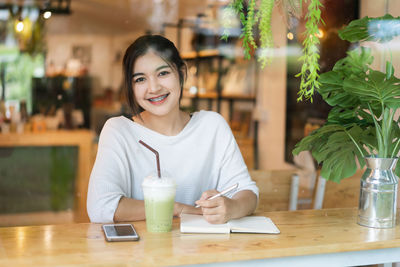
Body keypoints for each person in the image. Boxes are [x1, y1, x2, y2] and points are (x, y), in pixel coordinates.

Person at [87, 35, 258, 224]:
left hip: (205, 249)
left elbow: (247, 192)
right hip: (140, 251)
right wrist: (178, 208)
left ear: (182, 73)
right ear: (131, 86)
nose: (153, 88)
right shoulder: (119, 131)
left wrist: (232, 207)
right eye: (140, 79)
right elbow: (100, 206)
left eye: (163, 73)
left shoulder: (212, 126)